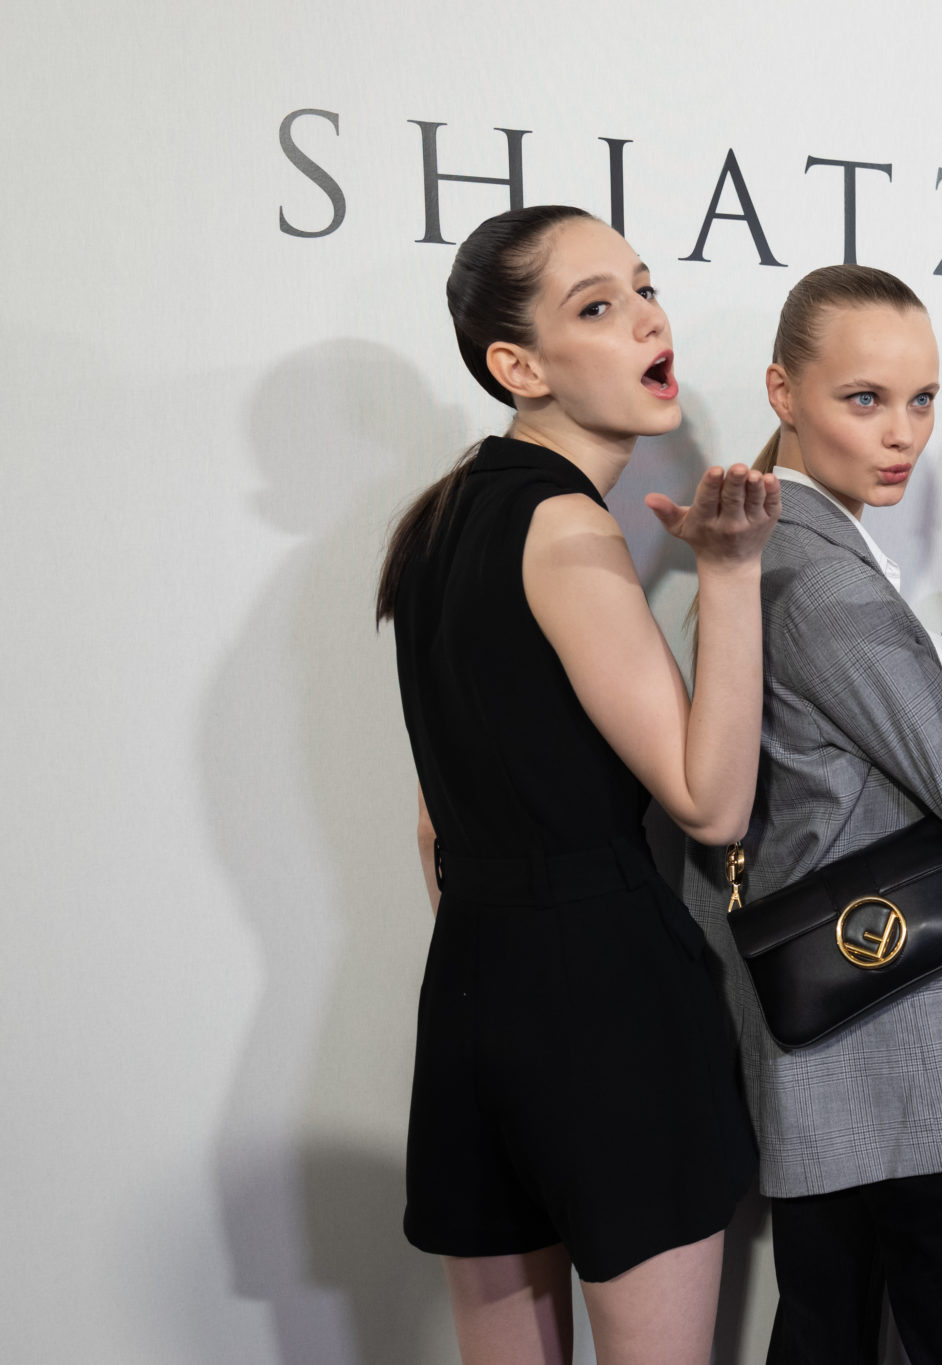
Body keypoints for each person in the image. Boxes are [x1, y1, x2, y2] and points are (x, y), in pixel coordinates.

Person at [677, 264, 942, 1364]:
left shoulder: (784, 552)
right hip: (914, 1054)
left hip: (839, 1046)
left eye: (921, 399)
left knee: (828, 1329)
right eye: (863, 398)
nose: (902, 433)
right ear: (782, 391)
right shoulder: (820, 578)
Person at [377, 204, 776, 1365]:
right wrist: (730, 574)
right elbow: (711, 802)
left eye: (644, 288)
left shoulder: (441, 520)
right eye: (595, 306)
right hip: (604, 999)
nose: (646, 319)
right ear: (520, 367)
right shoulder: (563, 528)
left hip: (473, 992)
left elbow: (432, 826)